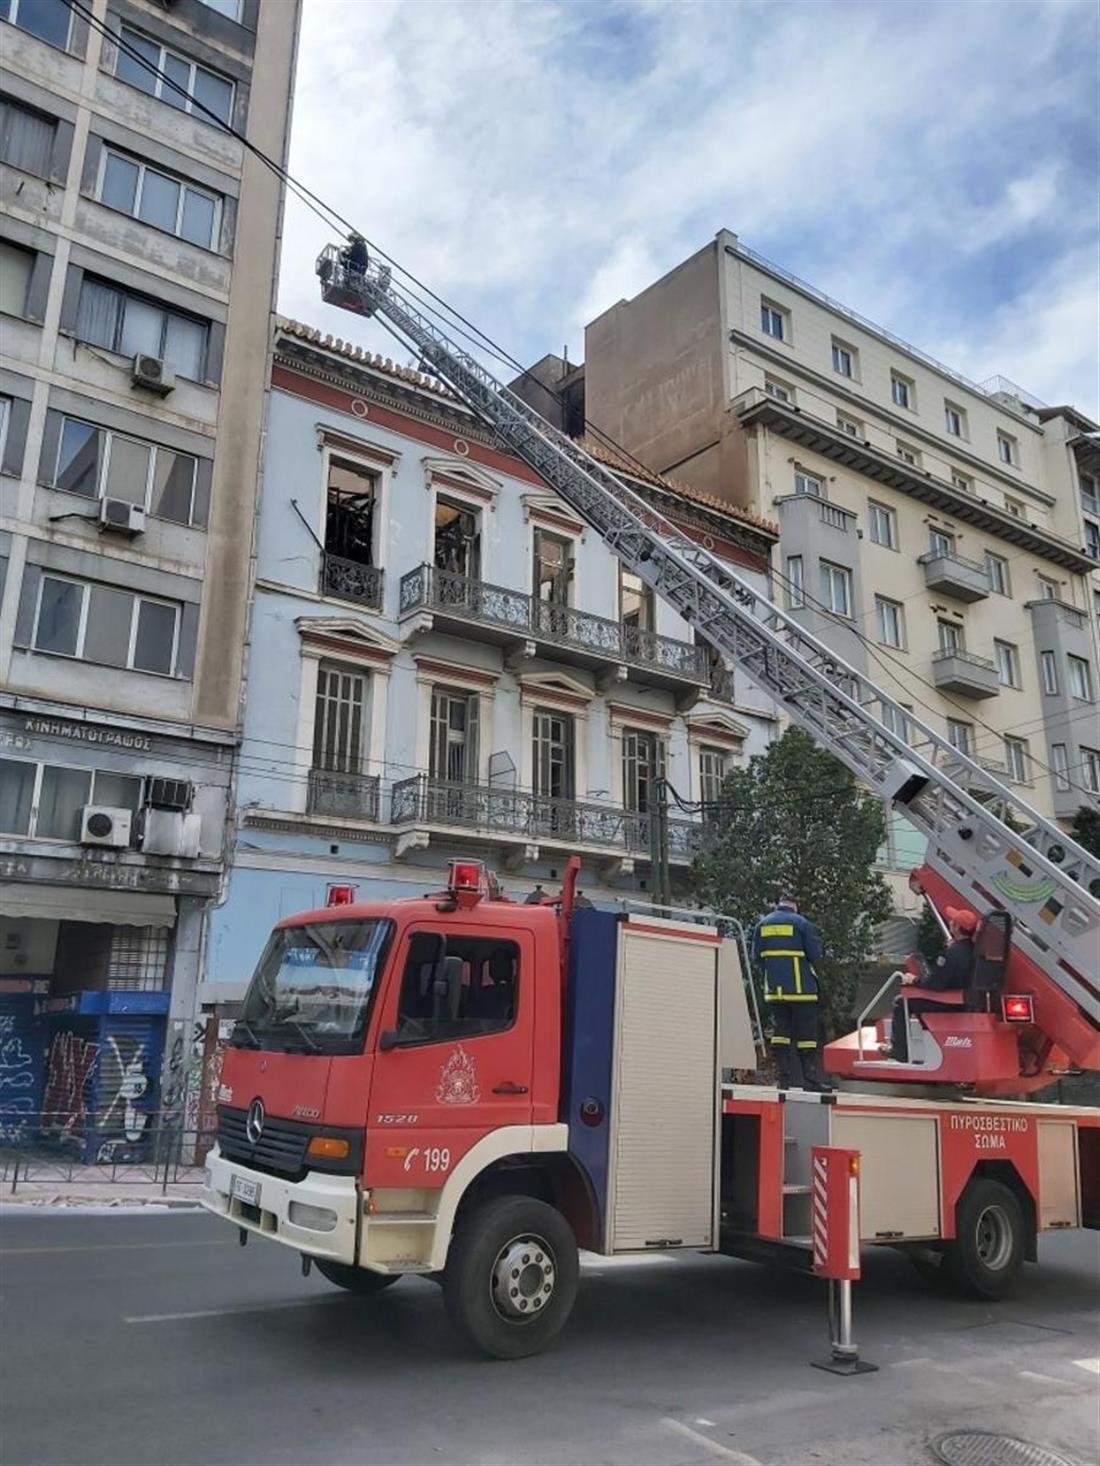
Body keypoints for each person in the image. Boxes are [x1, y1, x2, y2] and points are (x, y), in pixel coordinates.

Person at [752, 896, 829, 1091]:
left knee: (780, 1034)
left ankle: (782, 1079)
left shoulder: (762, 925)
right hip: (802, 991)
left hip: (774, 991)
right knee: (807, 1037)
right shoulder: (801, 923)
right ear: (795, 905)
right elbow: (814, 955)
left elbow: (756, 958)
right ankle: (810, 1080)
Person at [890, 906, 978, 1062]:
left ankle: (899, 1052)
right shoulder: (975, 951)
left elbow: (936, 983)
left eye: (953, 922)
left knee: (901, 1002)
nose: (950, 923)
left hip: (948, 1004)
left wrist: (914, 980)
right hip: (965, 1001)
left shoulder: (952, 952)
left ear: (957, 927)